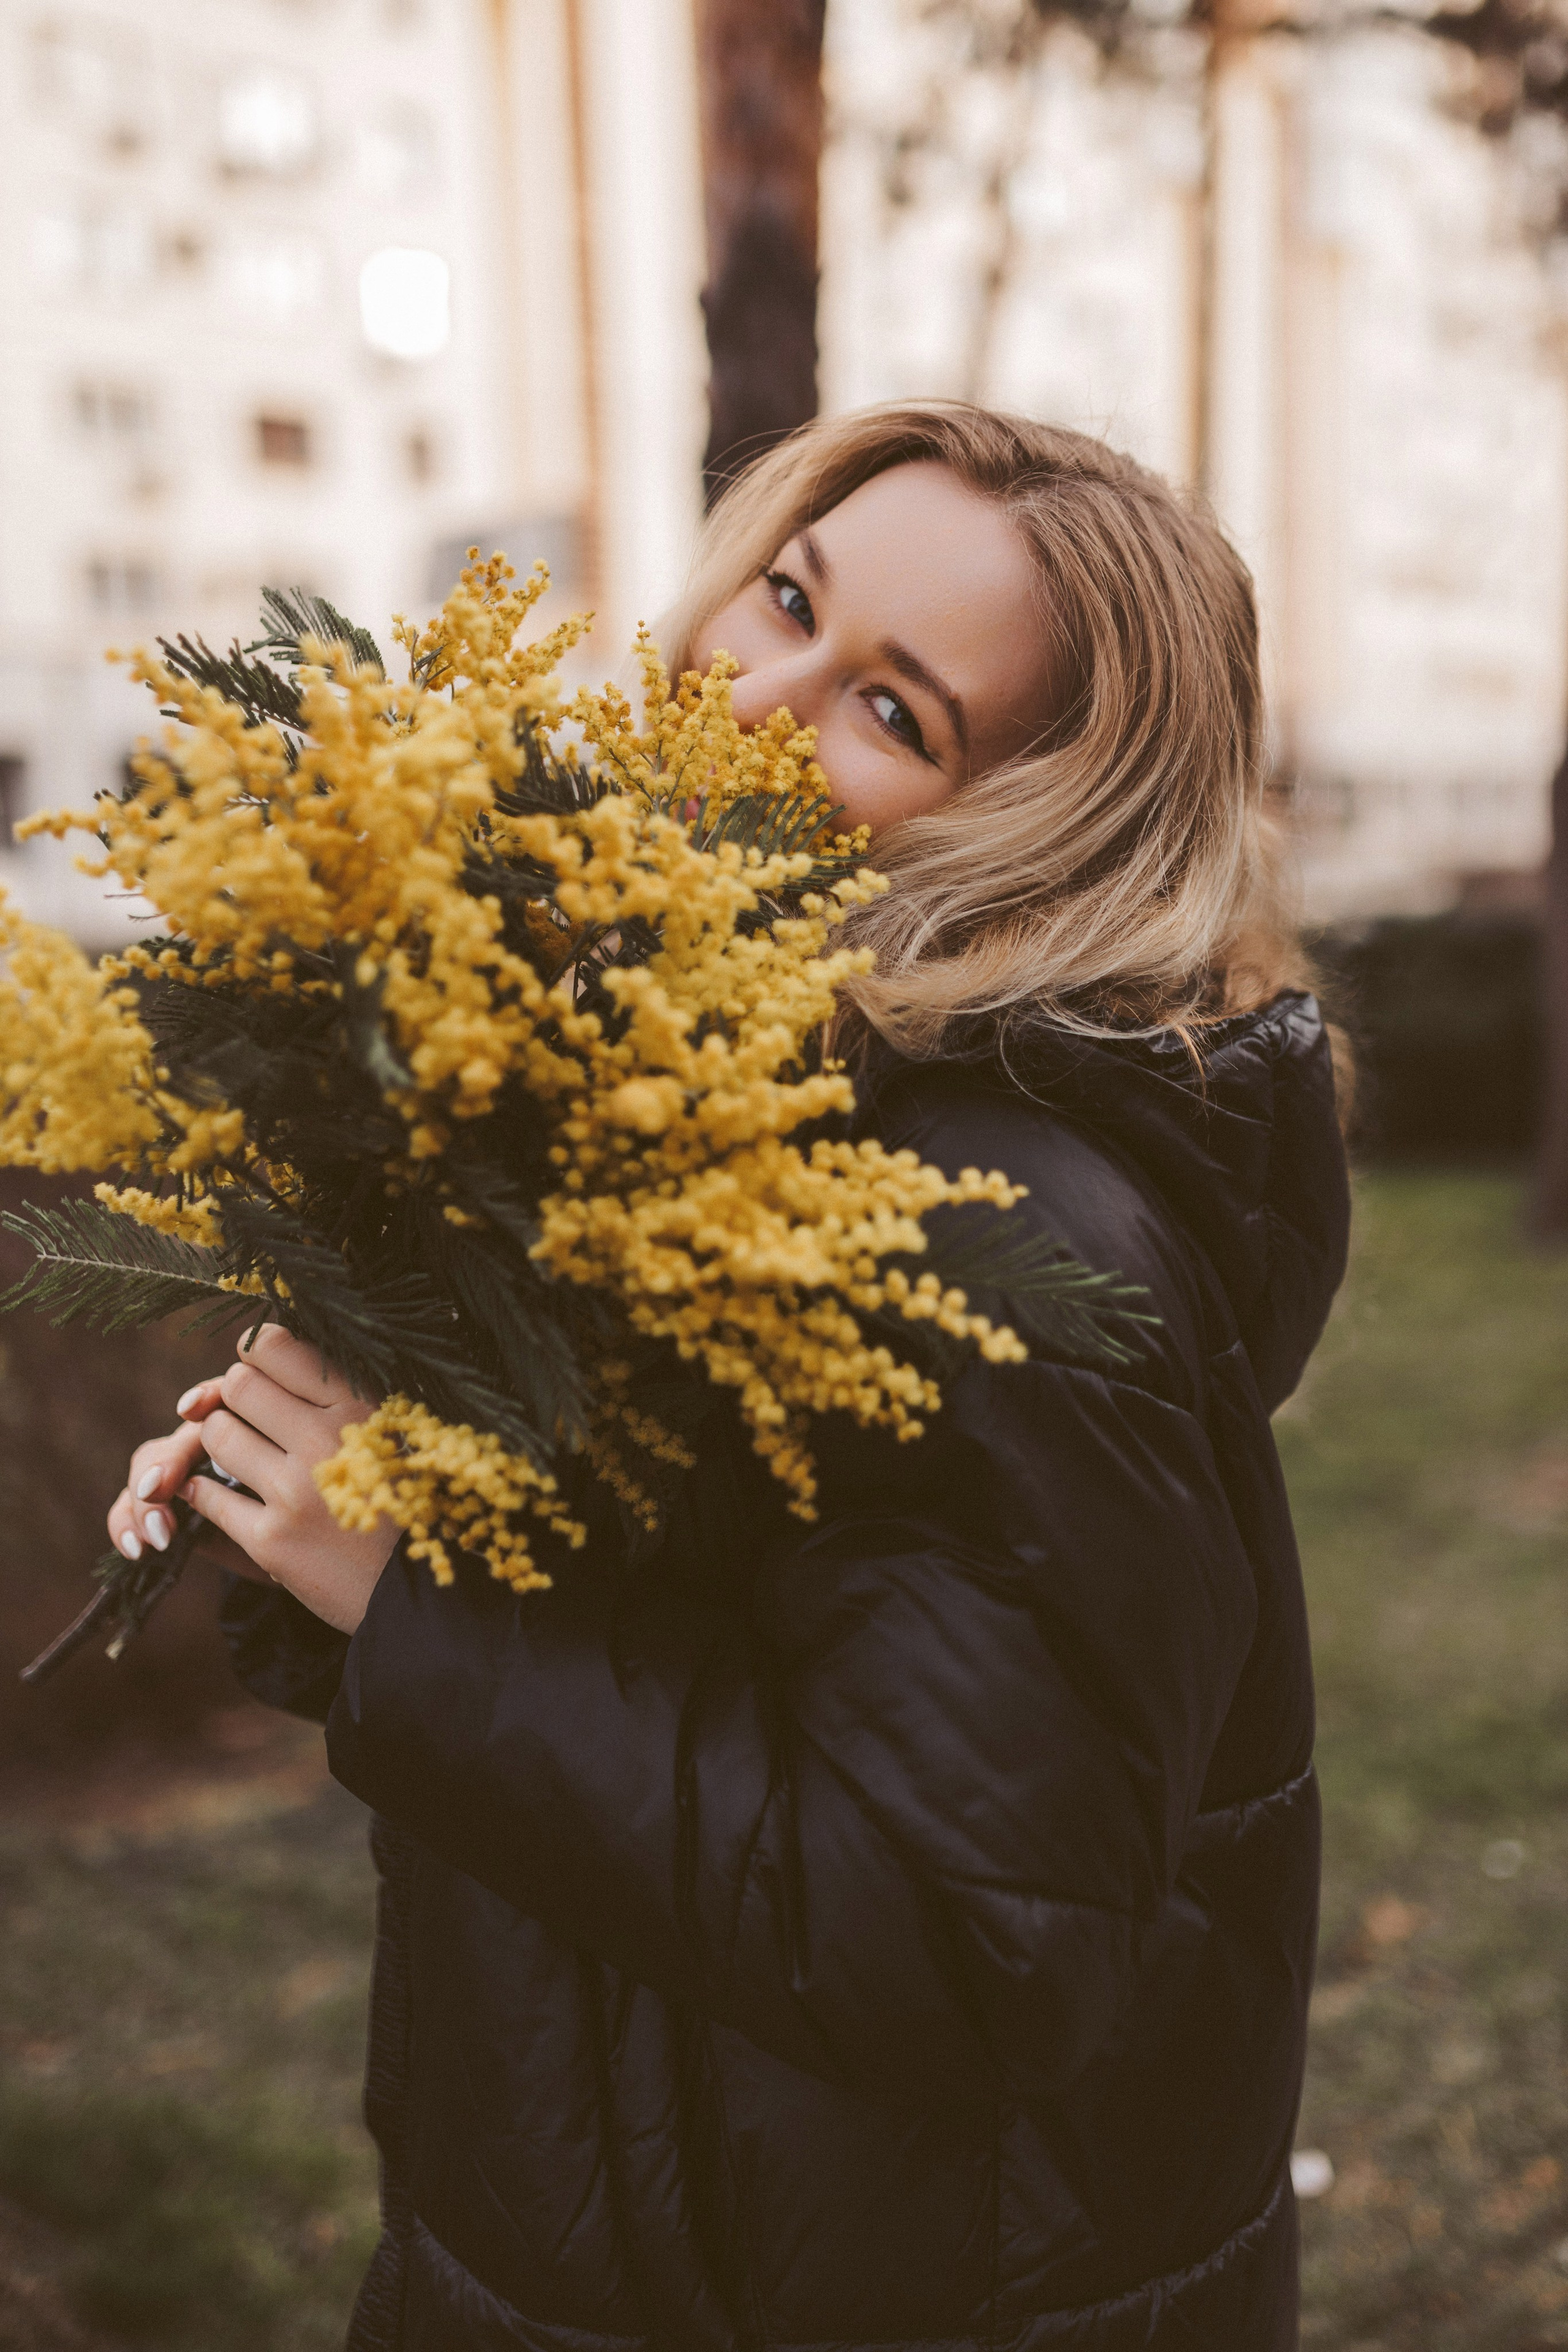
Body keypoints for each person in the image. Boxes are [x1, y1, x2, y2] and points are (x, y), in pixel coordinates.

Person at [110, 403, 1350, 2351]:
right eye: (787, 598)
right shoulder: (715, 1092)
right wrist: (333, 1509)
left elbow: (966, 1947)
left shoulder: (989, 1234)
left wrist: (415, 1600)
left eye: (894, 711)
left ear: (1035, 834)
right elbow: (669, 1650)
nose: (751, 697)